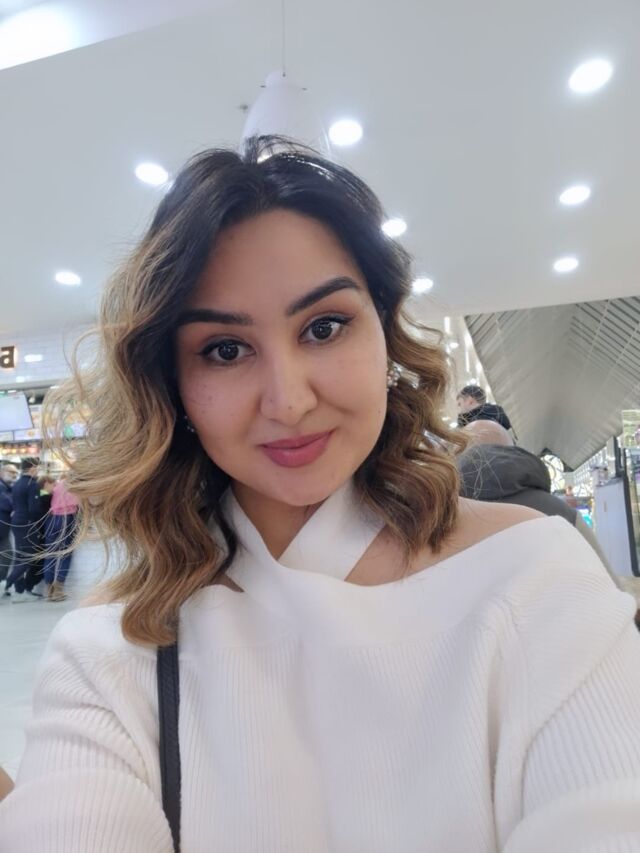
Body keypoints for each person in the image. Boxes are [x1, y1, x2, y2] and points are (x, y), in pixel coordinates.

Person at [2, 137, 639, 851]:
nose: (290, 400)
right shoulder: (117, 644)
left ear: (386, 337)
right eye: (225, 349)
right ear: (173, 387)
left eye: (324, 327)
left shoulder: (535, 578)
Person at [457, 419, 624, 590]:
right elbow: (611, 586)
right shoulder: (561, 513)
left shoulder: (445, 514)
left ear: (459, 453)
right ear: (511, 451)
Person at [4, 457, 43, 602]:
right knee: (29, 556)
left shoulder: (17, 483)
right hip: (28, 524)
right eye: (37, 468)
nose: (38, 471)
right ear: (32, 468)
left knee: (20, 556)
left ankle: (19, 591)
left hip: (17, 522)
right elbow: (34, 509)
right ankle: (7, 583)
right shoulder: (32, 484)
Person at [43, 473, 79, 601]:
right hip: (69, 519)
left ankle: (49, 590)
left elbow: (45, 495)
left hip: (52, 519)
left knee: (50, 554)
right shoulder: (76, 487)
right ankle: (58, 590)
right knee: (66, 554)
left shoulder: (56, 486)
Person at [0, 462, 18, 586]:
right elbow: (7, 504)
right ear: (2, 472)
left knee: (7, 555)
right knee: (7, 554)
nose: (14, 475)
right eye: (11, 472)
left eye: (15, 472)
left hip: (4, 529)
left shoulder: (7, 487)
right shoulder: (1, 487)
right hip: (2, 528)